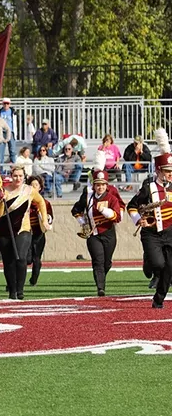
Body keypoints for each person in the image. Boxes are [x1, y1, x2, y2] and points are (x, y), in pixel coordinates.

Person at [127, 128, 172, 308]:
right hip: (151, 233)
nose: (170, 174)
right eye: (167, 170)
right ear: (159, 170)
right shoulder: (148, 187)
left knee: (170, 269)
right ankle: (149, 260)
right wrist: (139, 219)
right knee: (159, 265)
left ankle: (158, 299)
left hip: (170, 232)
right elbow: (131, 206)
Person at [0, 165, 49, 299]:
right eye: (15, 176)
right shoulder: (4, 191)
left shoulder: (29, 190)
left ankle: (20, 289)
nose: (18, 178)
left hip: (23, 229)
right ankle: (12, 290)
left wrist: (45, 219)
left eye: (20, 176)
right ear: (11, 177)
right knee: (8, 261)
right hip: (4, 230)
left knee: (21, 258)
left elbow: (41, 202)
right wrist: (1, 201)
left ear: (24, 177)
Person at [72, 167, 122, 296]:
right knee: (97, 261)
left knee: (107, 262)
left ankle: (101, 277)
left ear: (106, 185)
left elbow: (117, 217)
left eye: (102, 184)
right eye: (97, 185)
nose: (100, 187)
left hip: (109, 233)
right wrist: (83, 222)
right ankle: (100, 287)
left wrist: (104, 211)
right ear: (93, 185)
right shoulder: (88, 197)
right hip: (93, 234)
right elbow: (76, 210)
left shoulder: (112, 198)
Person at [26, 176, 53, 286]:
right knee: (26, 259)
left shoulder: (44, 203)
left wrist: (45, 218)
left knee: (37, 259)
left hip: (38, 234)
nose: (33, 187)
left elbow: (51, 218)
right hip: (25, 233)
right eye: (31, 185)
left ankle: (34, 280)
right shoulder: (24, 200)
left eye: (36, 185)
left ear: (40, 188)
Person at [0, 98, 18, 163]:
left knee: (13, 151)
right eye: (4, 103)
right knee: (0, 153)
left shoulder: (13, 112)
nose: (6, 105)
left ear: (9, 104)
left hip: (10, 132)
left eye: (7, 103)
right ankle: (0, 170)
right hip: (1, 133)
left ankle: (14, 167)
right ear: (2, 104)